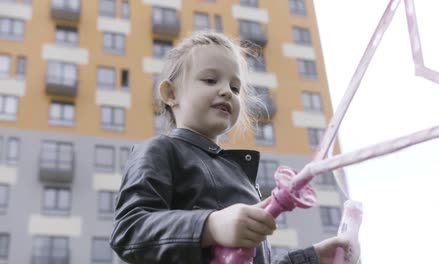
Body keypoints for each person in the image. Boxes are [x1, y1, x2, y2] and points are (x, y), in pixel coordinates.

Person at [110, 31, 354, 264]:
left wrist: (312, 258)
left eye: (235, 88)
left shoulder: (242, 177)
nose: (227, 91)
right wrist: (210, 226)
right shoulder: (159, 150)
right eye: (210, 80)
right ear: (170, 93)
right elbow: (129, 230)